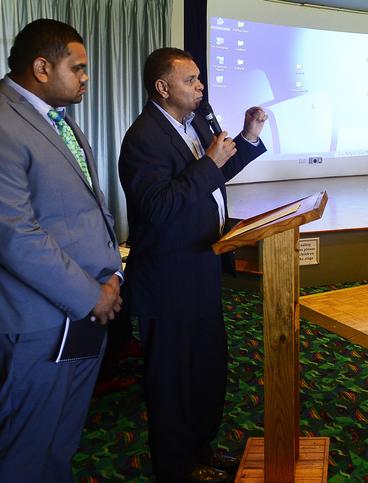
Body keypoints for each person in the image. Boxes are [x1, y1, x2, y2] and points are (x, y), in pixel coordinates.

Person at [119, 47, 267, 483]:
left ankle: (200, 449)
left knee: (205, 371)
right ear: (163, 88)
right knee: (171, 382)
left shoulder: (197, 123)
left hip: (202, 267)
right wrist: (208, 163)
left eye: (200, 78)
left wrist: (248, 135)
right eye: (191, 80)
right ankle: (176, 467)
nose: (201, 86)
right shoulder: (143, 138)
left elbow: (216, 172)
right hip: (168, 279)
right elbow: (159, 207)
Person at [0, 19, 123, 481]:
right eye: (79, 68)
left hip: (86, 310)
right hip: (39, 321)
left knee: (61, 439)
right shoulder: (4, 122)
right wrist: (91, 295)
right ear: (41, 67)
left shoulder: (59, 120)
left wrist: (111, 278)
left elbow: (90, 207)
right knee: (26, 450)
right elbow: (14, 233)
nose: (87, 78)